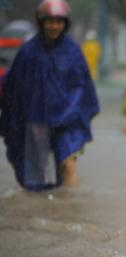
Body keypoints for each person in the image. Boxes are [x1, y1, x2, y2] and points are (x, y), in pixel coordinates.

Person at [0, 0, 99, 191]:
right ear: (41, 22)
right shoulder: (28, 53)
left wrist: (73, 112)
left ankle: (69, 208)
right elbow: (15, 90)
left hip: (67, 120)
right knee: (35, 173)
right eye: (50, 21)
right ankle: (40, 208)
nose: (54, 26)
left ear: (65, 23)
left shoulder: (72, 52)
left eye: (59, 21)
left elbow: (83, 86)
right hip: (36, 120)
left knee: (68, 163)